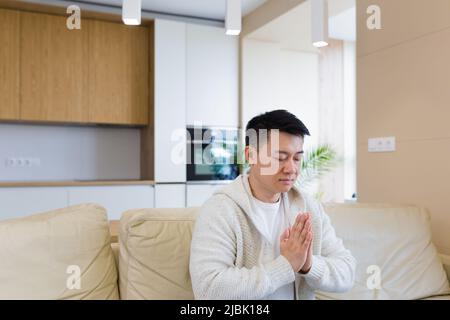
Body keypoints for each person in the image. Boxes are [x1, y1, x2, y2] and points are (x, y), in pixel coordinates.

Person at [189, 109, 356, 300]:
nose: (291, 168)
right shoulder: (221, 210)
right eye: (280, 158)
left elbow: (347, 271)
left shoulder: (309, 208)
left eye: (297, 158)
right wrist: (286, 266)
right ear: (250, 155)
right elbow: (209, 289)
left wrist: (308, 264)